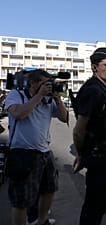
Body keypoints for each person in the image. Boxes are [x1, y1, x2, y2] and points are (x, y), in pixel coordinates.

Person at [5, 69, 68, 225]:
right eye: (44, 83)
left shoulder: (49, 100)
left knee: (49, 190)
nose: (48, 87)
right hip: (22, 154)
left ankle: (41, 221)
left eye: (49, 84)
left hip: (45, 153)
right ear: (32, 83)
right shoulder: (16, 95)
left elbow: (65, 117)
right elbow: (19, 114)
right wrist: (38, 96)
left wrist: (58, 99)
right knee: (22, 200)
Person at [72, 47, 106, 225]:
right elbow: (79, 129)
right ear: (95, 67)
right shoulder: (93, 91)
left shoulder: (103, 88)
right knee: (95, 206)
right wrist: (82, 155)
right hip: (97, 156)